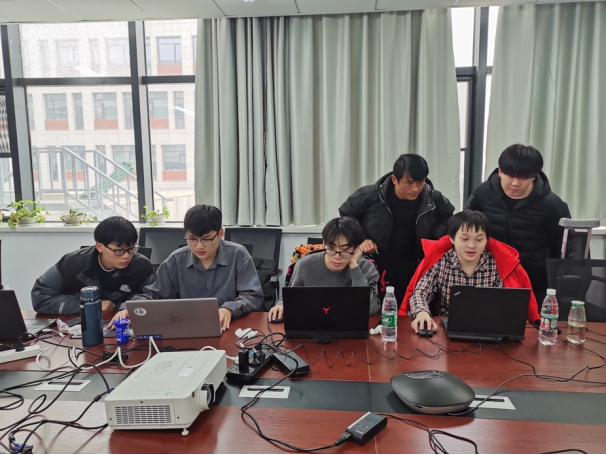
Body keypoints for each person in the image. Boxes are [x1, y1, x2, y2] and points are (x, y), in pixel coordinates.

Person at [108, 205, 263, 331]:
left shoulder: (238, 254)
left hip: (230, 327)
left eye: (206, 239)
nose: (199, 246)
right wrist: (129, 309)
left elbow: (252, 296)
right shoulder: (176, 260)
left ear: (220, 233)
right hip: (186, 329)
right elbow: (153, 295)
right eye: (192, 239)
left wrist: (229, 309)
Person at [339, 154, 454, 305]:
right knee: (372, 306)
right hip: (376, 261)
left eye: (420, 182)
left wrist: (433, 240)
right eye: (409, 183)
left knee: (405, 307)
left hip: (411, 264)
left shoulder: (431, 197)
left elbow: (448, 216)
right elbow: (346, 214)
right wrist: (362, 239)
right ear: (394, 179)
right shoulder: (370, 195)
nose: (416, 189)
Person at [466, 144, 574, 303]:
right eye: (510, 175)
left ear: (534, 176)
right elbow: (465, 228)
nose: (515, 183)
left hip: (534, 283)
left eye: (523, 177)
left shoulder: (553, 205)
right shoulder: (482, 194)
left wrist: (565, 289)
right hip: (488, 276)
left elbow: (568, 249)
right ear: (500, 171)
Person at [403, 210, 540, 333]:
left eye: (479, 239)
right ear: (452, 238)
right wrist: (422, 313)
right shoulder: (441, 261)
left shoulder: (496, 265)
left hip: (487, 328)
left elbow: (506, 303)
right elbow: (421, 292)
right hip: (445, 327)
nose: (471, 245)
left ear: (487, 240)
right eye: (464, 239)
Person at [32, 216, 153, 315]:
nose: (126, 256)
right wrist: (90, 304)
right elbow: (41, 299)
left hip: (121, 323)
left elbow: (151, 297)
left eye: (131, 249)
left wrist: (124, 308)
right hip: (78, 324)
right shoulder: (72, 263)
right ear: (100, 246)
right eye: (119, 250)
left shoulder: (141, 266)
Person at [268, 217, 380, 322]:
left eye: (344, 250)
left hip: (351, 326)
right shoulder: (304, 265)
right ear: (324, 243)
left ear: (356, 249)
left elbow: (371, 309)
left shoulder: (366, 268)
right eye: (331, 249)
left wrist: (354, 267)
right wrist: (281, 305)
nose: (337, 256)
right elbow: (291, 297)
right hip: (312, 324)